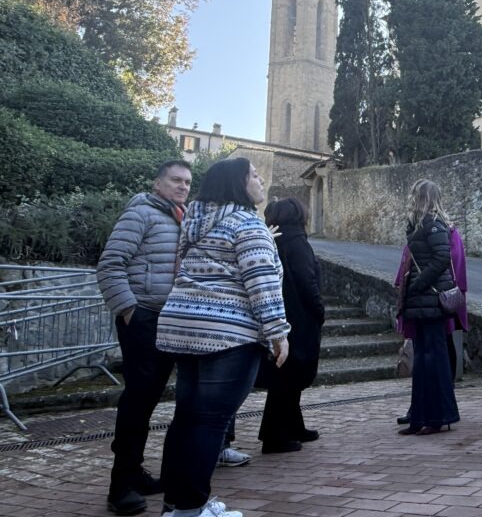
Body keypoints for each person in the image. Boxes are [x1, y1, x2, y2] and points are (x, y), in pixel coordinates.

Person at [156, 158, 290, 517]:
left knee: (187, 417)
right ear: (237, 184)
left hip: (184, 328)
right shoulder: (247, 223)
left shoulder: (193, 222)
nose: (261, 181)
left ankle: (176, 504)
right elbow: (261, 281)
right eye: (254, 175)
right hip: (228, 333)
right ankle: (191, 509)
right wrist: (278, 332)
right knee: (211, 421)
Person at [98, 160, 192, 516]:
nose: (182, 186)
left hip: (168, 318)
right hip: (144, 317)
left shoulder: (180, 218)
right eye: (175, 180)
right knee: (138, 400)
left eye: (187, 182)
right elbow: (110, 264)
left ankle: (134, 472)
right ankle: (120, 485)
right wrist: (129, 311)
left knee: (148, 399)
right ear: (157, 183)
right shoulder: (140, 213)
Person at [257, 197, 325, 454]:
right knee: (288, 377)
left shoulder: (275, 239)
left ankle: (294, 425)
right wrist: (318, 309)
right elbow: (307, 279)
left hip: (282, 313)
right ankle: (275, 435)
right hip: (299, 317)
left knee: (287, 375)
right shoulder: (297, 242)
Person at [398, 179, 460, 435]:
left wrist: (418, 285)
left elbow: (442, 257)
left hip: (430, 300)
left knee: (433, 358)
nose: (410, 199)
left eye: (415, 195)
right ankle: (422, 416)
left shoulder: (433, 224)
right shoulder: (422, 224)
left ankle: (437, 416)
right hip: (422, 301)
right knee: (425, 358)